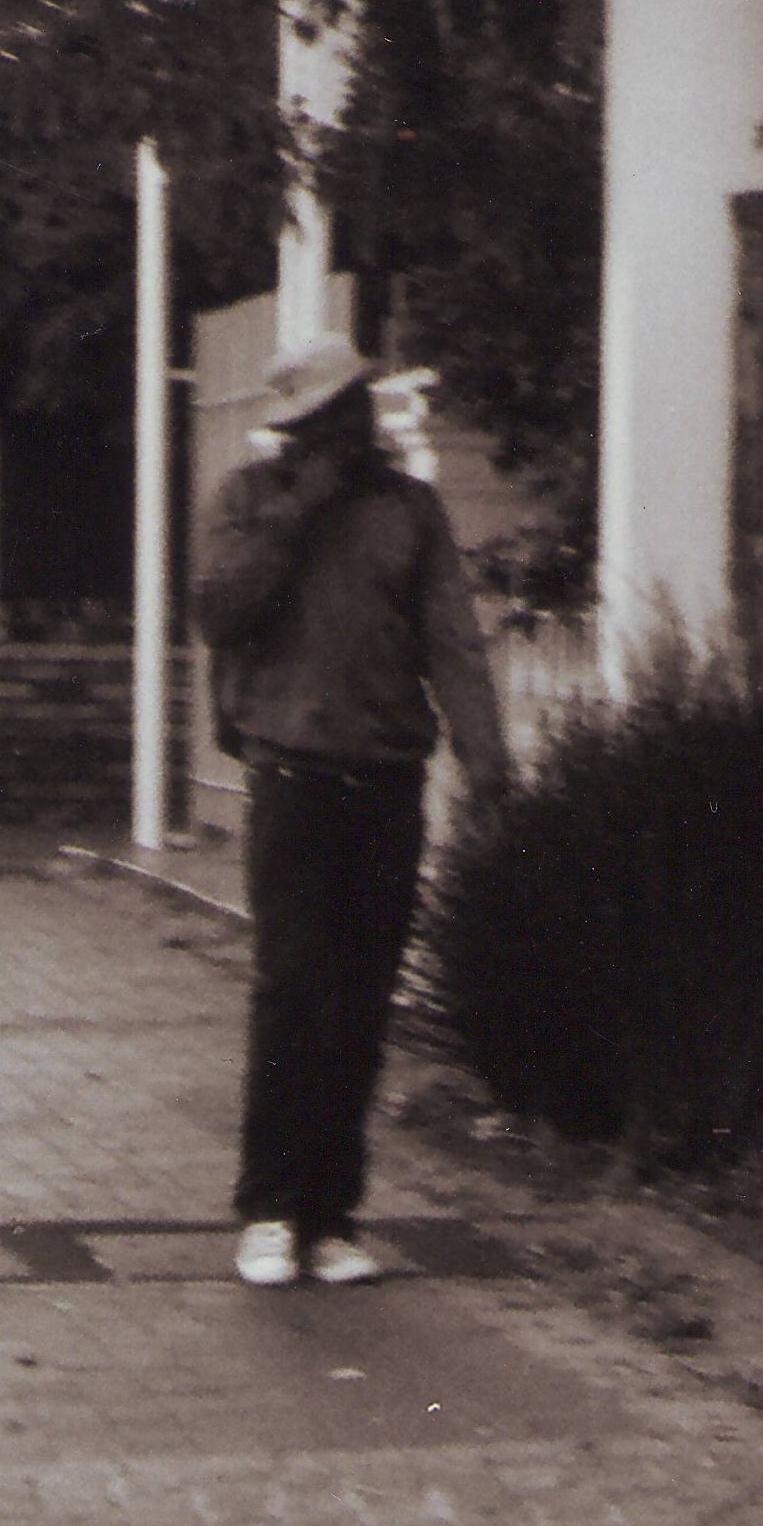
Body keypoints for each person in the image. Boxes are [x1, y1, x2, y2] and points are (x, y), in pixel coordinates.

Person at [193, 339, 511, 1287]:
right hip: (291, 775)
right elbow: (217, 612)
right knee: (291, 988)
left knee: (361, 1000)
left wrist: (486, 761)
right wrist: (295, 516)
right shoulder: (246, 500)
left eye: (356, 409)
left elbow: (451, 638)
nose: (350, 429)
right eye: (329, 417)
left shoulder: (409, 509)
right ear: (296, 429)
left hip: (386, 775)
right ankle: (267, 1208)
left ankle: (331, 1215)